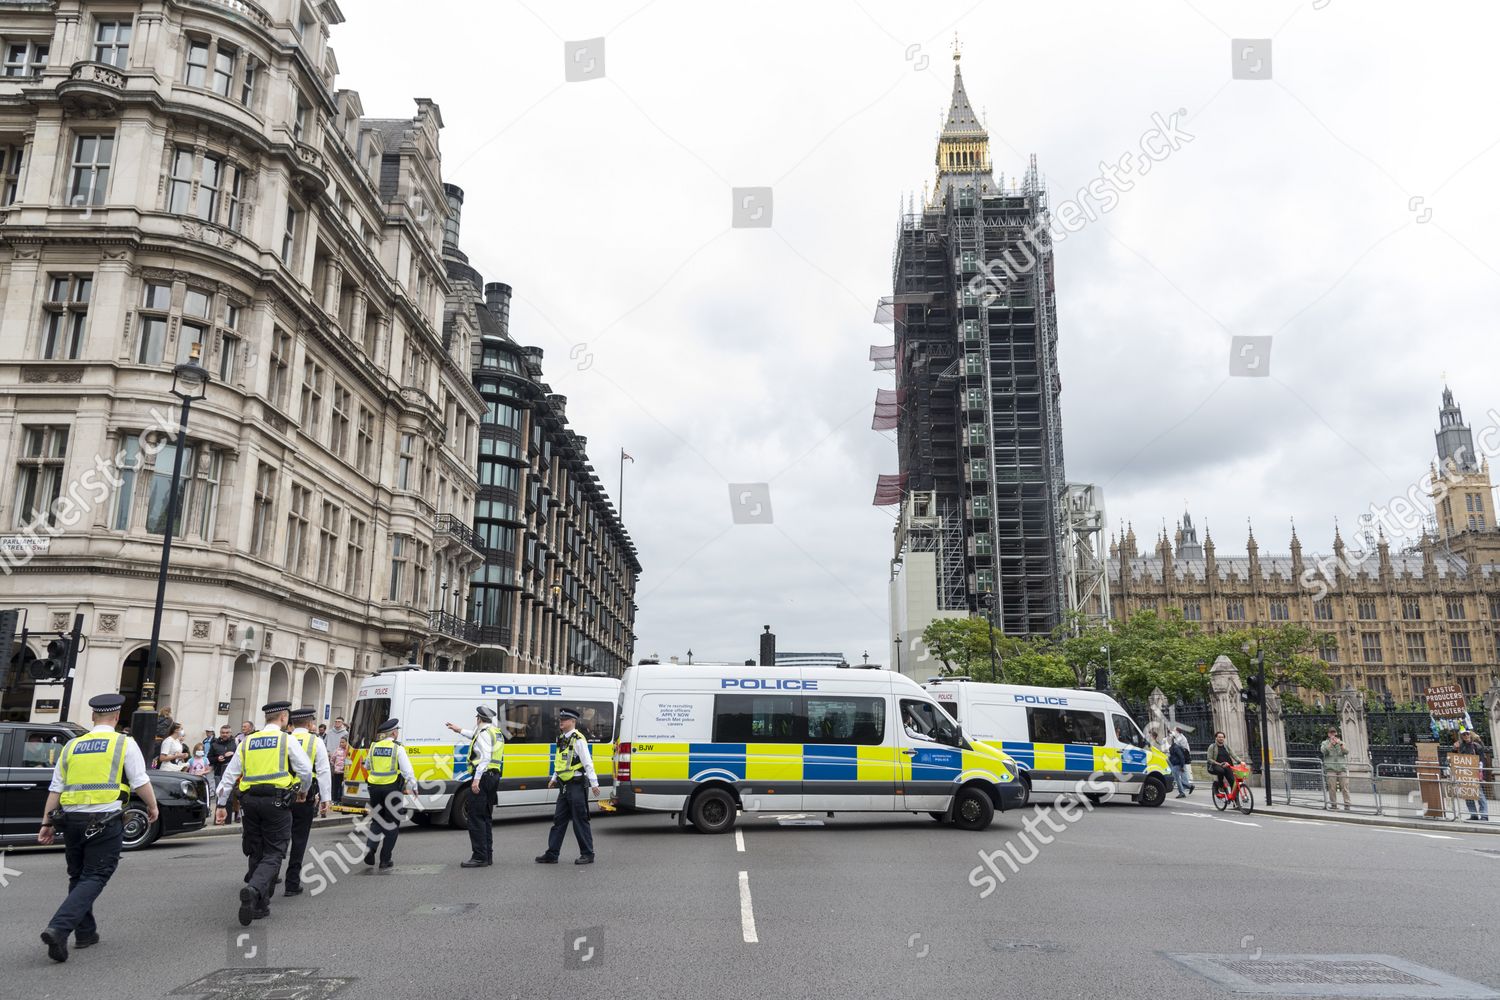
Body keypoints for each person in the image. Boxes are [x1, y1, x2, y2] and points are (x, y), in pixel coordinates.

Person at [37, 693, 159, 963]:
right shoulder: (123, 742)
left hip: (71, 820)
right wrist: (152, 806)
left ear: (93, 717)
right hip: (104, 819)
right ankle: (60, 927)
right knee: (96, 875)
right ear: (116, 717)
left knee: (78, 876)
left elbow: (56, 788)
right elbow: (140, 780)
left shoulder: (72, 745)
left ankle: (86, 933)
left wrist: (46, 822)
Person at [215, 701, 313, 926]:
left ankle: (259, 906)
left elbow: (230, 775)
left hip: (249, 802)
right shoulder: (285, 739)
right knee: (275, 851)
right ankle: (254, 888)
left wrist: (221, 805)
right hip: (277, 803)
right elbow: (305, 770)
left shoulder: (247, 741)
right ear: (284, 718)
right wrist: (304, 791)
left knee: (256, 850)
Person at [536, 708, 600, 866]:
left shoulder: (579, 739)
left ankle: (587, 853)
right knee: (559, 820)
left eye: (565, 719)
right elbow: (560, 762)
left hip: (577, 785)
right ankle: (552, 854)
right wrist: (554, 778)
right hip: (564, 786)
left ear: (573, 722)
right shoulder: (562, 738)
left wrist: (594, 784)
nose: (561, 721)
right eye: (561, 719)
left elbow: (587, 762)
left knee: (580, 820)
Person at [281, 707, 332, 896]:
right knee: (300, 838)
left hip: (282, 791)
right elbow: (324, 770)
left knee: (279, 836)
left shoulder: (284, 739)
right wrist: (326, 798)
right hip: (305, 793)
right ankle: (292, 883)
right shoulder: (315, 741)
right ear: (310, 723)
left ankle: (270, 876)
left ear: (292, 723)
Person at [446, 706, 505, 867]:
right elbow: (476, 737)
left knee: (476, 818)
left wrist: (476, 780)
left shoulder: (485, 734)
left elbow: (484, 758)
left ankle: (479, 856)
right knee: (485, 817)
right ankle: (487, 856)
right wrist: (459, 730)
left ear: (478, 719)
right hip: (493, 777)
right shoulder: (495, 732)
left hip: (484, 777)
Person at [363, 718, 418, 870]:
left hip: (374, 788)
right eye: (397, 731)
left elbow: (367, 766)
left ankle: (370, 849)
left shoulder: (373, 746)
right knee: (392, 823)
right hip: (391, 789)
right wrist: (414, 786)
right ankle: (385, 860)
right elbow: (407, 771)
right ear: (394, 733)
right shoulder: (397, 748)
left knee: (377, 820)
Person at [1454, 729, 1490, 822]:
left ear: (1470, 735)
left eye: (1467, 734)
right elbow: (1455, 758)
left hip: (1475, 773)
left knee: (1480, 795)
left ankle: (1484, 815)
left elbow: (1482, 761)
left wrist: (1482, 775)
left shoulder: (1477, 746)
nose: (1465, 736)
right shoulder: (1460, 746)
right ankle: (1473, 815)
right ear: (1461, 736)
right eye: (1463, 735)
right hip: (1465, 774)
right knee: (1468, 795)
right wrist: (1454, 749)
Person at [1320, 726, 1353, 811]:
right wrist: (1331, 744)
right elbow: (1323, 751)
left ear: (1336, 733)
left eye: (1334, 732)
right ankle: (1333, 805)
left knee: (1345, 787)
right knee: (1332, 788)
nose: (1333, 734)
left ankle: (1347, 805)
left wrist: (1341, 745)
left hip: (1341, 768)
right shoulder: (1325, 743)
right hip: (1331, 768)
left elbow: (1346, 752)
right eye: (1331, 733)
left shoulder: (1341, 742)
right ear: (1328, 734)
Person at [1204, 730, 1243, 801]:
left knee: (1233, 782)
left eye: (1222, 737)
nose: (1221, 738)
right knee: (1221, 771)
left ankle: (1235, 799)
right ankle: (1217, 785)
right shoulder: (1212, 747)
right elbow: (1209, 759)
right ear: (1216, 738)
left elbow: (1233, 754)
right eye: (1219, 737)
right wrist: (1219, 764)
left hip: (1228, 766)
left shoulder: (1226, 746)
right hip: (1215, 766)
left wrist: (1240, 761)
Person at [1167, 729, 1194, 798]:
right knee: (1177, 777)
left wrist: (1181, 766)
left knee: (1176, 778)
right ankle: (1188, 786)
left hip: (1178, 763)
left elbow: (1181, 756)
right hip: (1177, 762)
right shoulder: (1174, 744)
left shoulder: (1178, 744)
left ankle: (1183, 791)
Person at [330, 737, 348, 805]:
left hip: (345, 772)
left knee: (342, 787)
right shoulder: (337, 750)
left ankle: (341, 799)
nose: (341, 743)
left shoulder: (348, 750)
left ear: (346, 743)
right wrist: (334, 767)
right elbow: (332, 759)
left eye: (343, 742)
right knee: (336, 786)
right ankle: (335, 800)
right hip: (337, 772)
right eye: (340, 742)